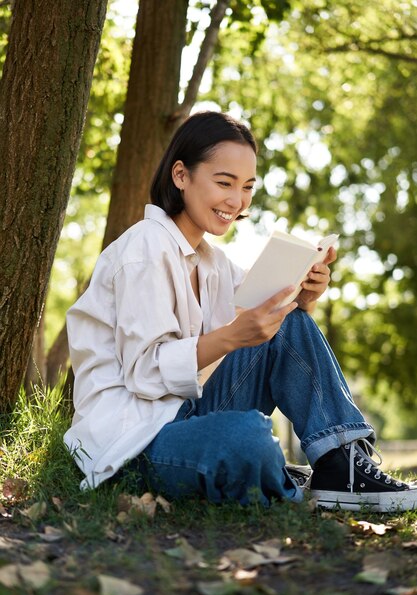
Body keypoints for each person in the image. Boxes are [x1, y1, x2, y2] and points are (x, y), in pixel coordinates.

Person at [64, 111, 417, 513]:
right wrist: (234, 335)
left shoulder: (212, 261)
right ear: (181, 175)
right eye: (224, 182)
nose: (237, 200)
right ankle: (278, 471)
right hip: (135, 442)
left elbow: (279, 332)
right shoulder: (145, 249)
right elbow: (145, 374)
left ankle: (342, 463)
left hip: (188, 412)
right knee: (247, 438)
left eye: (247, 187)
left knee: (288, 322)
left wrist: (304, 294)